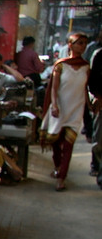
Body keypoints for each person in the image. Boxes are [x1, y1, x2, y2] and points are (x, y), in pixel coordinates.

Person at [40, 32, 91, 192]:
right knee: (56, 141)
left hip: (76, 109)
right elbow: (54, 88)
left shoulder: (86, 67)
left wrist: (91, 104)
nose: (82, 46)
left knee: (68, 145)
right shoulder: (60, 65)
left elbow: (86, 89)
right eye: (79, 43)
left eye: (84, 43)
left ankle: (62, 178)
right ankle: (57, 168)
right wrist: (54, 105)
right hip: (60, 108)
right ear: (70, 45)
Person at [87, 42, 102, 185]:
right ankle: (97, 166)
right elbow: (92, 82)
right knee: (99, 140)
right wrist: (97, 97)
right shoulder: (98, 55)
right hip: (101, 103)